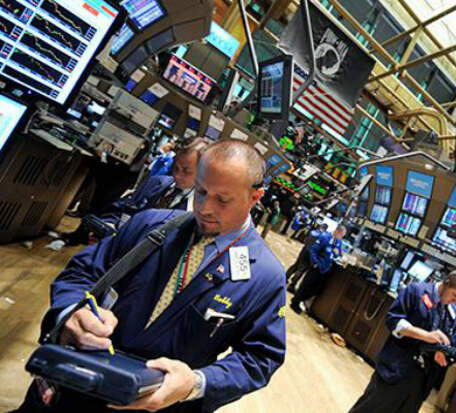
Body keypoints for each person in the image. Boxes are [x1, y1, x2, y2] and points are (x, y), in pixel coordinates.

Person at [15, 139, 286, 413]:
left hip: (158, 406)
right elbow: (83, 271)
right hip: (74, 384)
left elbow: (259, 357)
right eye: (201, 191)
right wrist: (72, 311)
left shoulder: (265, 275)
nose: (204, 208)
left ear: (255, 197)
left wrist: (196, 382)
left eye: (223, 200)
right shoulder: (150, 224)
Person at [348, 271, 456, 413]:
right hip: (397, 368)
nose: (454, 301)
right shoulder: (416, 291)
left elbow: (449, 342)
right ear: (446, 283)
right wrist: (425, 335)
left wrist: (442, 353)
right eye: (454, 296)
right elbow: (393, 321)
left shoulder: (454, 315)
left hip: (421, 382)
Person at [60, 138, 207, 246]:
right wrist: (108, 224)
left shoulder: (198, 210)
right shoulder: (155, 183)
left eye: (186, 171)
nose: (178, 175)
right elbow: (122, 209)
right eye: (176, 168)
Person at [290, 225, 346, 314]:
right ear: (337, 232)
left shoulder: (338, 242)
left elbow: (338, 254)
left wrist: (338, 255)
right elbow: (313, 250)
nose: (341, 238)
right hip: (317, 266)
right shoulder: (325, 237)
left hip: (326, 269)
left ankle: (301, 300)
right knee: (306, 285)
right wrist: (315, 263)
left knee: (315, 289)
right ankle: (295, 302)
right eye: (341, 235)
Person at [286, 223, 328, 293]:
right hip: (310, 254)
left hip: (304, 250)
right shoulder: (322, 236)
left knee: (296, 264)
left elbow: (305, 240)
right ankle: (292, 286)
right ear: (325, 230)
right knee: (301, 270)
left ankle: (286, 277)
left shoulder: (312, 232)